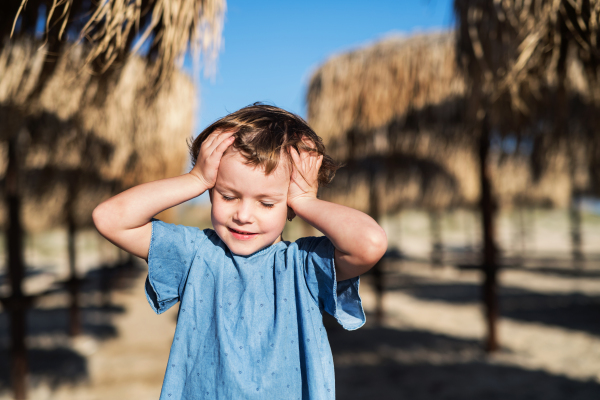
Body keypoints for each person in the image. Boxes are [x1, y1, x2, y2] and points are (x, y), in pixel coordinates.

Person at [93, 103, 387, 399]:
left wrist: (306, 200)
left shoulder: (303, 265)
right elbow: (110, 218)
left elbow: (369, 244)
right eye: (228, 195)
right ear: (210, 191)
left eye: (267, 203)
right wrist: (194, 178)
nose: (243, 215)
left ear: (290, 207)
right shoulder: (196, 254)